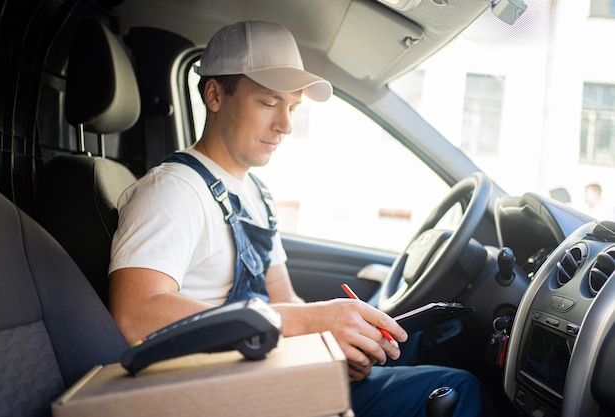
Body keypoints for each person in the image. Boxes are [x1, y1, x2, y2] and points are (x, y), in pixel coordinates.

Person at [109, 20, 493, 416]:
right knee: (457, 389)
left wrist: (331, 347)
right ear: (215, 95)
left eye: (292, 107)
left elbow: (284, 300)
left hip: (268, 371)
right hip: (223, 394)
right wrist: (309, 323)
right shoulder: (173, 190)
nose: (285, 126)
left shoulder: (256, 193)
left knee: (421, 342)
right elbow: (134, 316)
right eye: (269, 102)